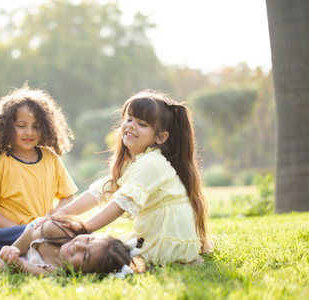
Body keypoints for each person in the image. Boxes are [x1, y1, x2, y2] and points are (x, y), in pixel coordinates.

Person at [53, 90, 210, 265]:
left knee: (98, 255)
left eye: (142, 124)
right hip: (153, 237)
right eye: (129, 119)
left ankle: (43, 264)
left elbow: (121, 203)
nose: (131, 126)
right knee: (95, 248)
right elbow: (100, 191)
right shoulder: (134, 162)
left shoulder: (152, 163)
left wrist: (83, 230)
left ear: (160, 137)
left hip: (167, 242)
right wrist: (61, 213)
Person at [0, 83, 77, 228]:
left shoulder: (51, 158)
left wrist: (51, 219)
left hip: (44, 231)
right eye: (21, 126)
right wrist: (22, 232)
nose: (29, 132)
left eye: (36, 126)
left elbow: (68, 197)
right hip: (13, 234)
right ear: (7, 127)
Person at [0, 216, 142, 276]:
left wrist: (14, 262)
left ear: (86, 272)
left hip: (26, 258)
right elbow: (32, 234)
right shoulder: (63, 233)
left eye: (86, 257)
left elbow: (35, 272)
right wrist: (15, 249)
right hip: (26, 237)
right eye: (88, 241)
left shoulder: (60, 272)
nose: (79, 246)